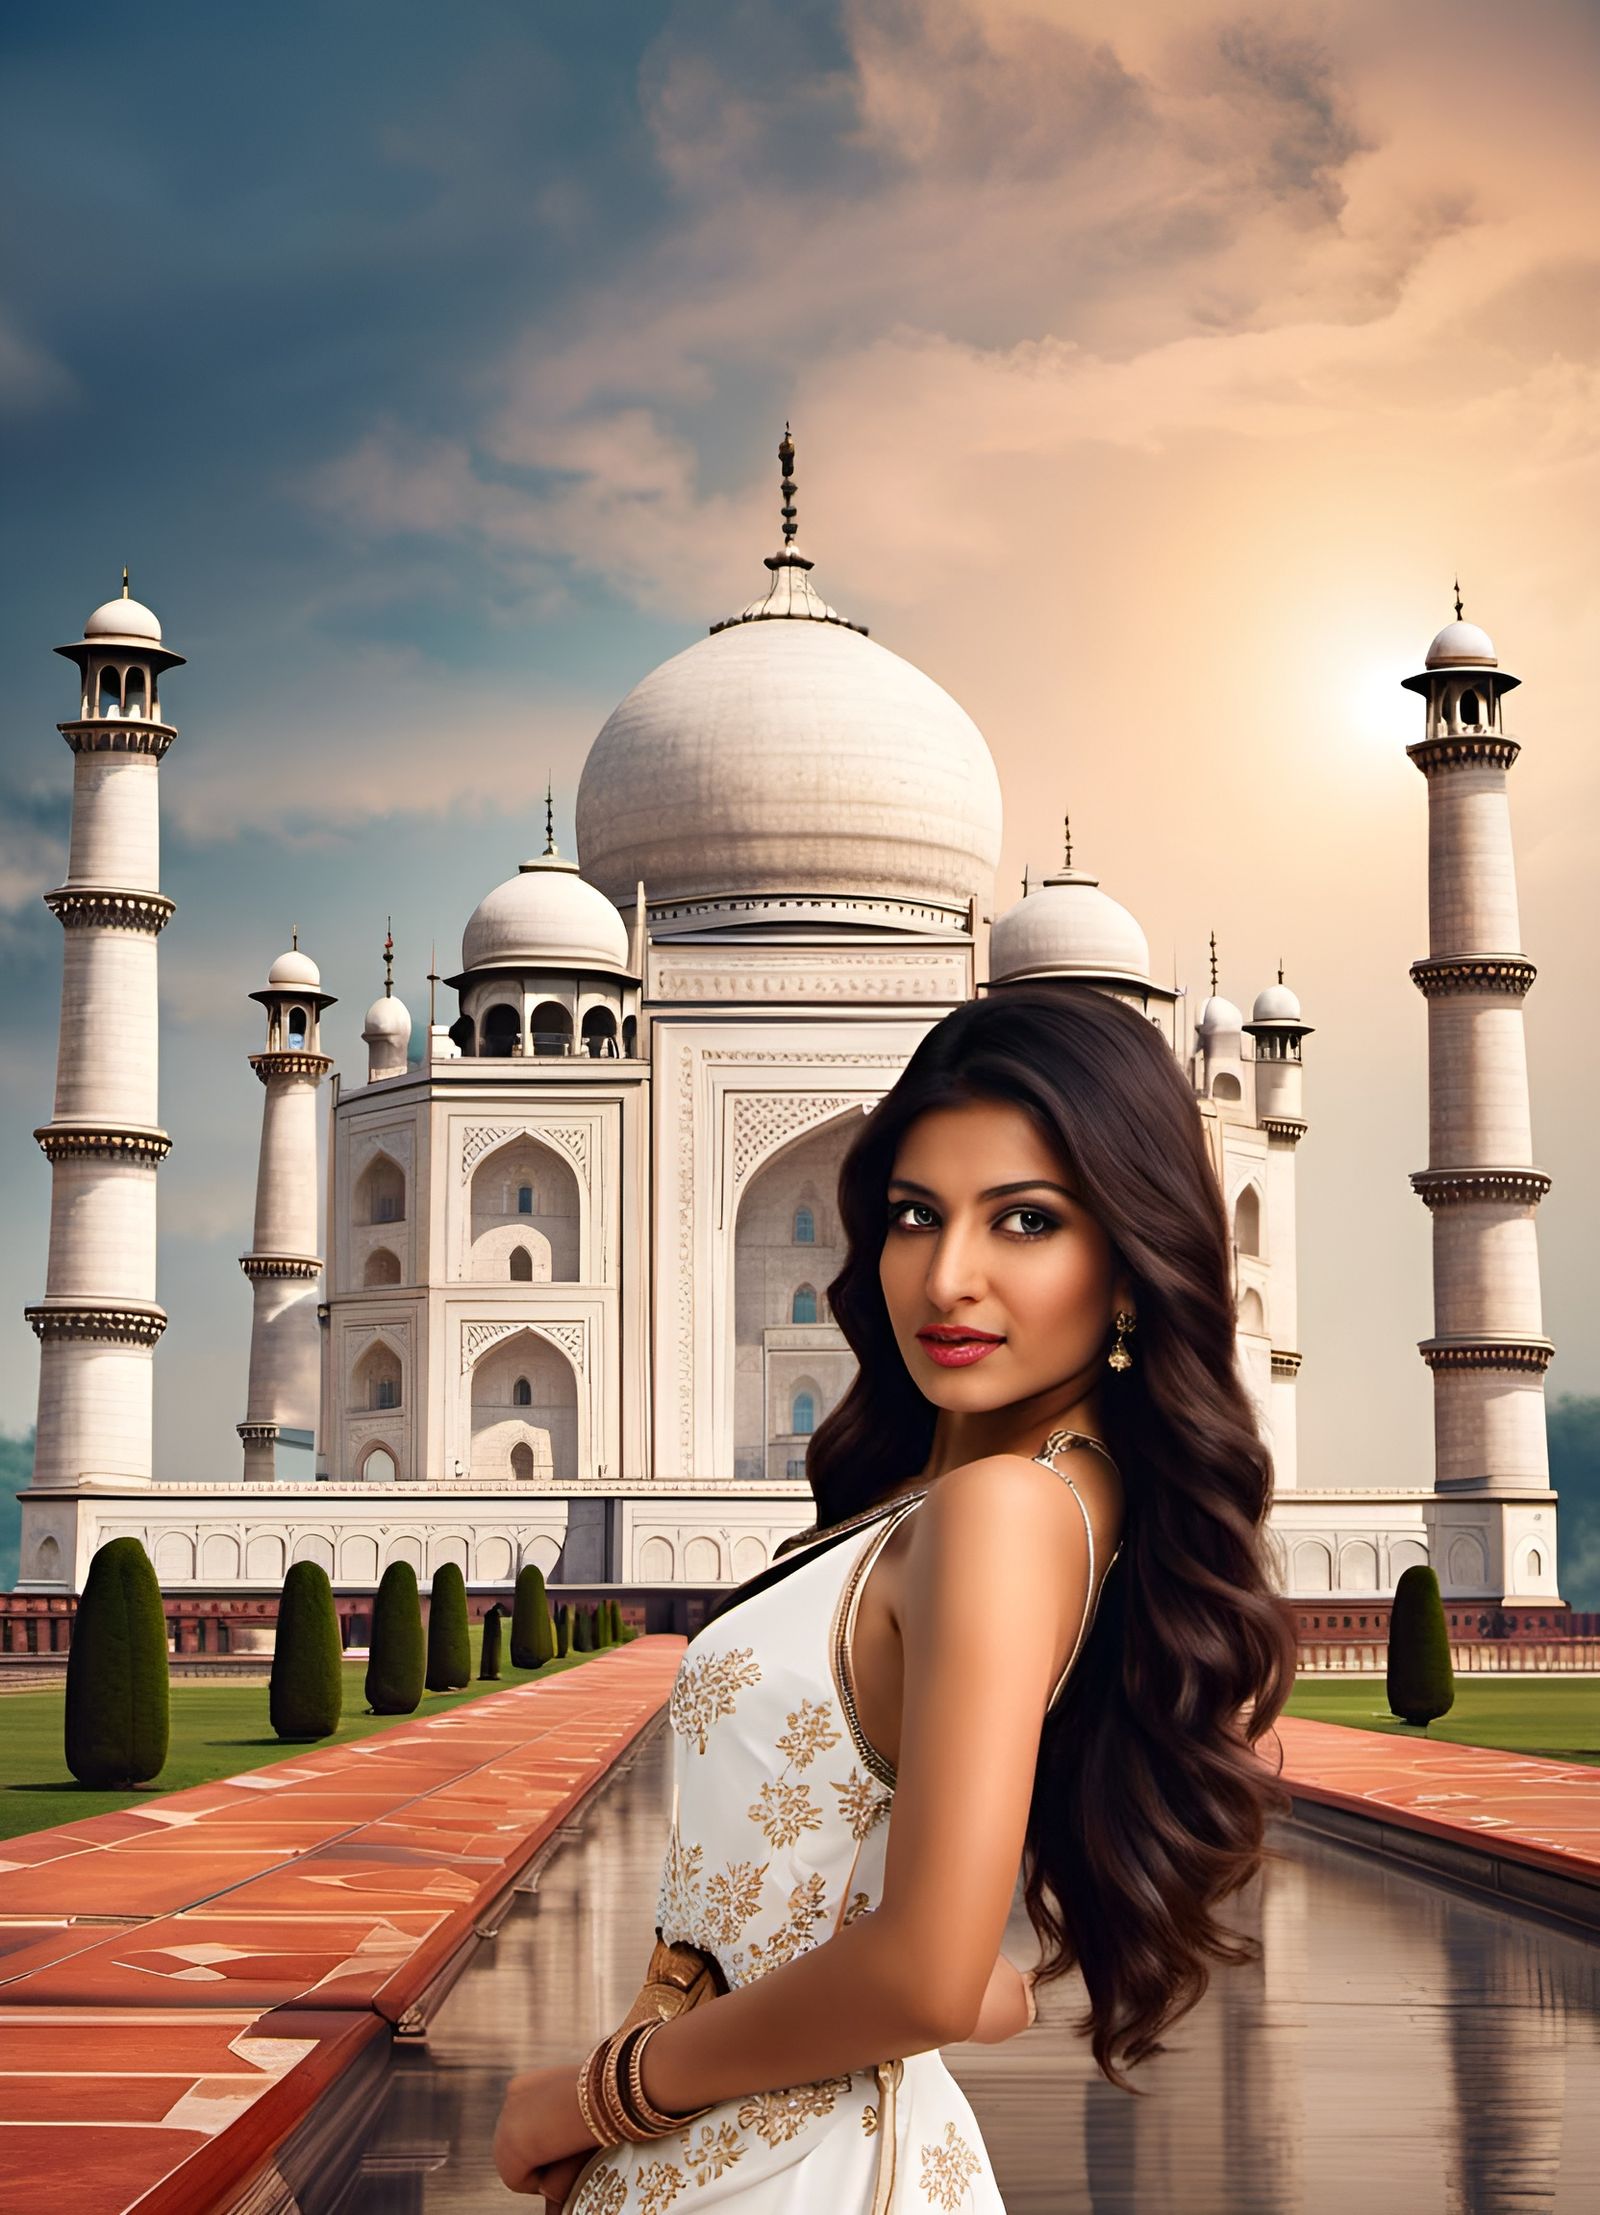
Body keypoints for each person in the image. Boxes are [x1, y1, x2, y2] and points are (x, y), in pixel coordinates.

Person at [493, 985, 1297, 2208]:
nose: (946, 1276)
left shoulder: (1000, 1511)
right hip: (782, 2142)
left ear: (1127, 1261)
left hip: (787, 2167)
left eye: (1024, 1220)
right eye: (917, 1215)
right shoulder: (1026, 1499)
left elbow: (925, 1975)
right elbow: (968, 1972)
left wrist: (602, 2092)